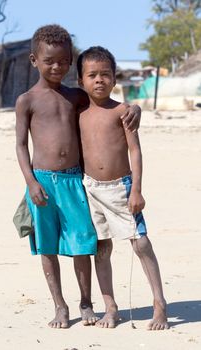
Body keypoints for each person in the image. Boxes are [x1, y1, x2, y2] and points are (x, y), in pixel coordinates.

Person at [15, 24, 141, 329]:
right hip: (42, 182)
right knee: (47, 246)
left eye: (62, 61)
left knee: (82, 244)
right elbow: (20, 145)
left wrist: (135, 106)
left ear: (70, 62)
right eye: (49, 61)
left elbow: (108, 104)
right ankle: (60, 306)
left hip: (74, 181)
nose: (56, 67)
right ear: (34, 61)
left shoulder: (76, 96)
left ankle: (86, 302)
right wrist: (31, 182)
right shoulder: (26, 101)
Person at [77, 46, 169, 330]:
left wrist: (137, 189)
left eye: (106, 74)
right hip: (90, 188)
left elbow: (135, 152)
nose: (99, 80)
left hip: (121, 187)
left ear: (115, 79)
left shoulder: (124, 111)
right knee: (101, 249)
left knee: (140, 243)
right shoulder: (78, 113)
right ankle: (110, 307)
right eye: (92, 75)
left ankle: (159, 303)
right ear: (81, 81)